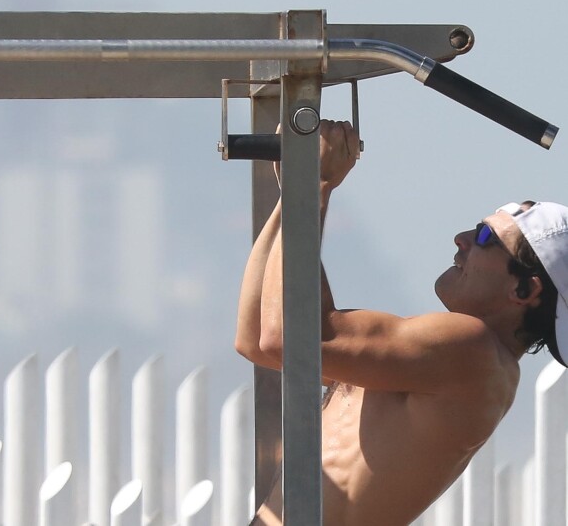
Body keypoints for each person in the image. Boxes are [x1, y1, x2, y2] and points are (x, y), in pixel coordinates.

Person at [235, 120, 568, 526]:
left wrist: (314, 185)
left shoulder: (474, 349)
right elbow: (255, 337)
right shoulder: (456, 358)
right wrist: (296, 193)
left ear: (523, 291)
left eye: (484, 238)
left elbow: (284, 338)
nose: (461, 238)